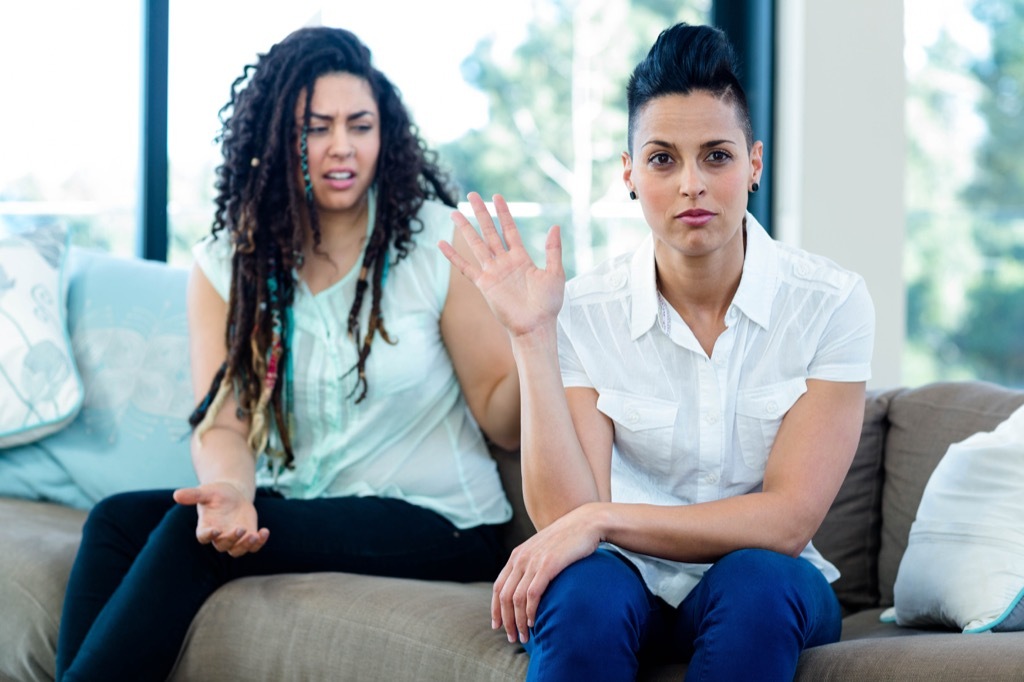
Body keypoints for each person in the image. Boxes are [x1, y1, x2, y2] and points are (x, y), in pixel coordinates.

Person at [56, 26, 520, 681]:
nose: (341, 147)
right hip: (304, 497)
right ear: (279, 137)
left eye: (360, 125)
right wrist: (229, 494)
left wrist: (535, 331)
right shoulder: (231, 263)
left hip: (439, 519)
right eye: (316, 127)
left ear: (384, 135)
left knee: (188, 550)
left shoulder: (438, 243)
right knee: (115, 522)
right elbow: (224, 420)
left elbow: (501, 417)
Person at [440, 22, 875, 681]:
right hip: (624, 582)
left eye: (717, 156)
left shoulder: (831, 303)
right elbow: (564, 521)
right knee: (582, 592)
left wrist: (604, 519)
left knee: (758, 581)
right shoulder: (582, 310)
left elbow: (787, 521)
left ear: (754, 164)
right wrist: (532, 336)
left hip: (766, 582)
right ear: (631, 175)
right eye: (664, 159)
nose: (691, 184)